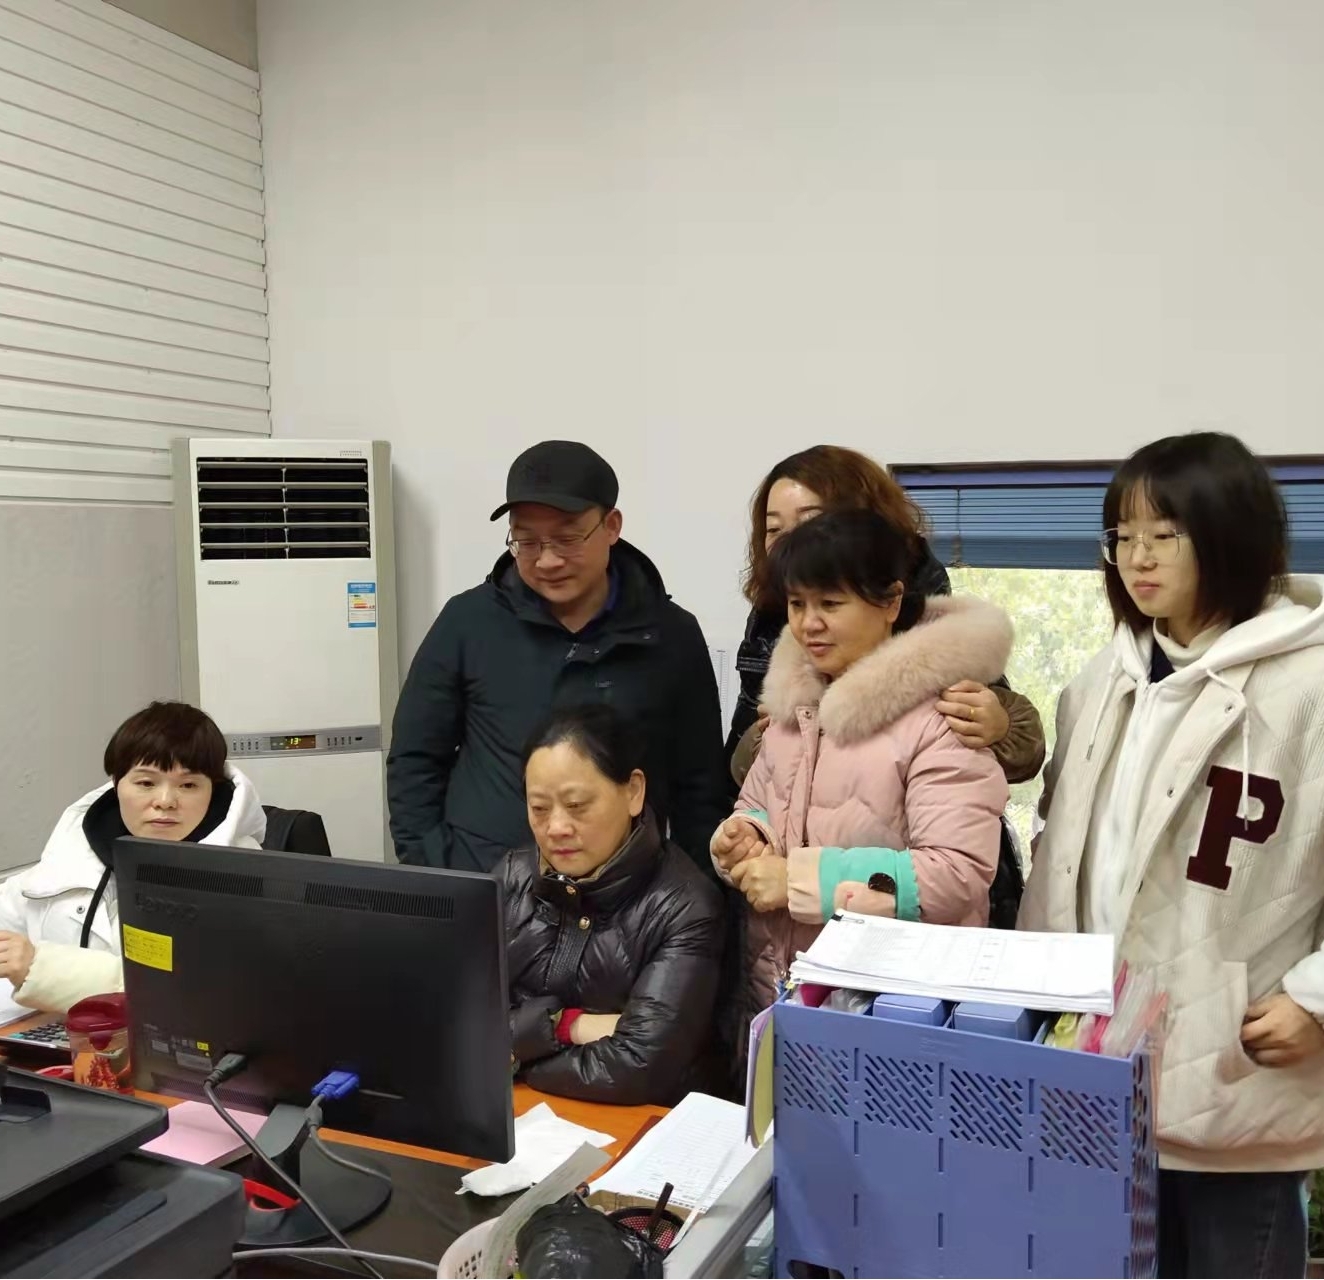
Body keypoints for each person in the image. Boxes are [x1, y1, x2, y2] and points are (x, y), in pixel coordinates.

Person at [1019, 432, 1324, 1280]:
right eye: (1122, 536)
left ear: (1230, 535)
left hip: (1234, 1064)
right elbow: (1060, 855)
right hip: (1096, 1067)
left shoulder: (1309, 686)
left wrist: (1315, 1001)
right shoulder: (1100, 681)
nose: (1137, 558)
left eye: (1165, 534)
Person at [713, 509, 1010, 1027]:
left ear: (891, 602)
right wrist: (746, 835)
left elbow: (958, 873)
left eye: (831, 603)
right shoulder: (792, 710)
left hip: (893, 1014)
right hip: (781, 995)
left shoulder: (942, 718)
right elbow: (756, 802)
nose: (809, 624)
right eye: (797, 603)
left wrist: (798, 880)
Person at [387, 440, 729, 873]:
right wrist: (435, 868)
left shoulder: (670, 634)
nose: (547, 561)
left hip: (626, 894)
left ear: (611, 526)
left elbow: (699, 787)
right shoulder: (468, 622)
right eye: (526, 541)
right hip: (486, 880)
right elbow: (415, 757)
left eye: (567, 539)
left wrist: (695, 893)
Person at [726, 445, 1045, 787]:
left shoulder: (923, 615)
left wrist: (1000, 726)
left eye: (809, 520)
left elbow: (1013, 749)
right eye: (774, 529)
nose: (791, 541)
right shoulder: (770, 617)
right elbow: (743, 766)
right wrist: (763, 744)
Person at [500, 704, 723, 1105]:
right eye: (539, 808)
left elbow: (638, 1064)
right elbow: (455, 1017)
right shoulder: (513, 875)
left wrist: (512, 1055)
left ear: (633, 792)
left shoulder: (684, 907)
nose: (556, 827)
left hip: (636, 1124)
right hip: (516, 1114)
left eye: (577, 805)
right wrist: (568, 1026)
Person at [0, 701, 265, 1014]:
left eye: (188, 785)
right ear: (116, 784)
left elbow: (198, 993)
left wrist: (38, 968)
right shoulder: (73, 852)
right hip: (59, 1036)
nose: (165, 801)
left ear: (213, 791)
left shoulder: (244, 876)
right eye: (146, 783)